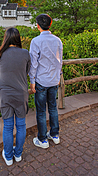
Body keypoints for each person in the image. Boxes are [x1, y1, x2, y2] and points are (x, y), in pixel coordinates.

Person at [0, 27, 31, 166]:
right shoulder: (25, 53)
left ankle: (8, 157)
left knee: (8, 126)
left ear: (6, 38)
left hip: (5, 94)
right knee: (21, 125)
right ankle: (18, 154)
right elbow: (27, 71)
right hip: (21, 93)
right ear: (18, 38)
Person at [29, 14, 63, 149]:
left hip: (41, 81)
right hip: (54, 80)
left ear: (38, 26)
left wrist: (32, 81)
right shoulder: (58, 40)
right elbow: (60, 61)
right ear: (51, 24)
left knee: (41, 111)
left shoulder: (35, 41)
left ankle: (42, 139)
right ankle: (55, 135)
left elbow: (33, 64)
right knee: (53, 108)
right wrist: (59, 76)